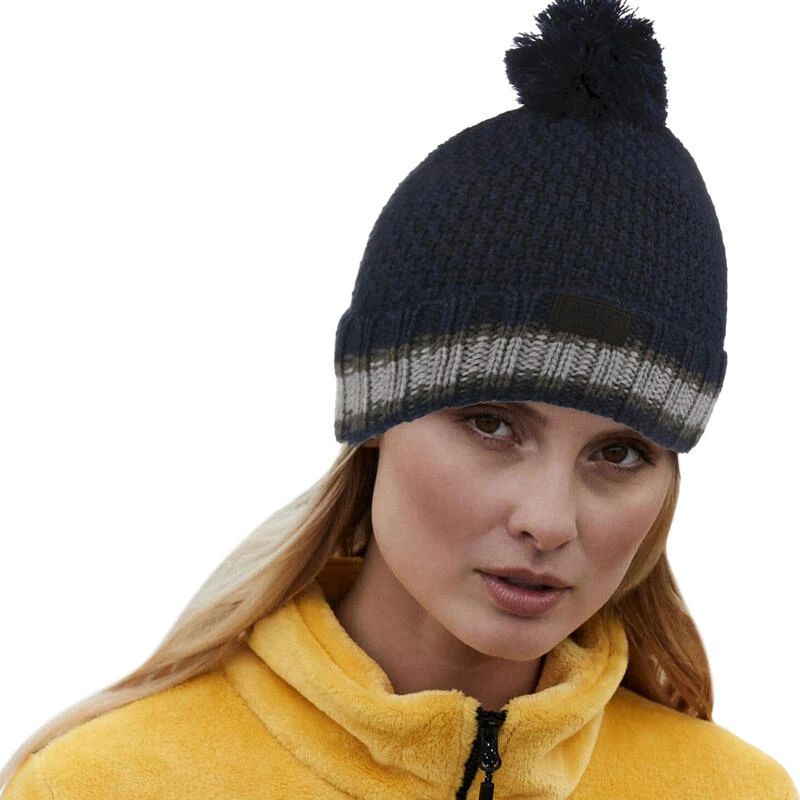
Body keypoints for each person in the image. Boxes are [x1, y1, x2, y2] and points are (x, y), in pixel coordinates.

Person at [1, 0, 797, 797]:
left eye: (619, 452)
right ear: (376, 416)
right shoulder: (102, 784)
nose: (549, 521)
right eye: (491, 423)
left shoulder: (735, 792)